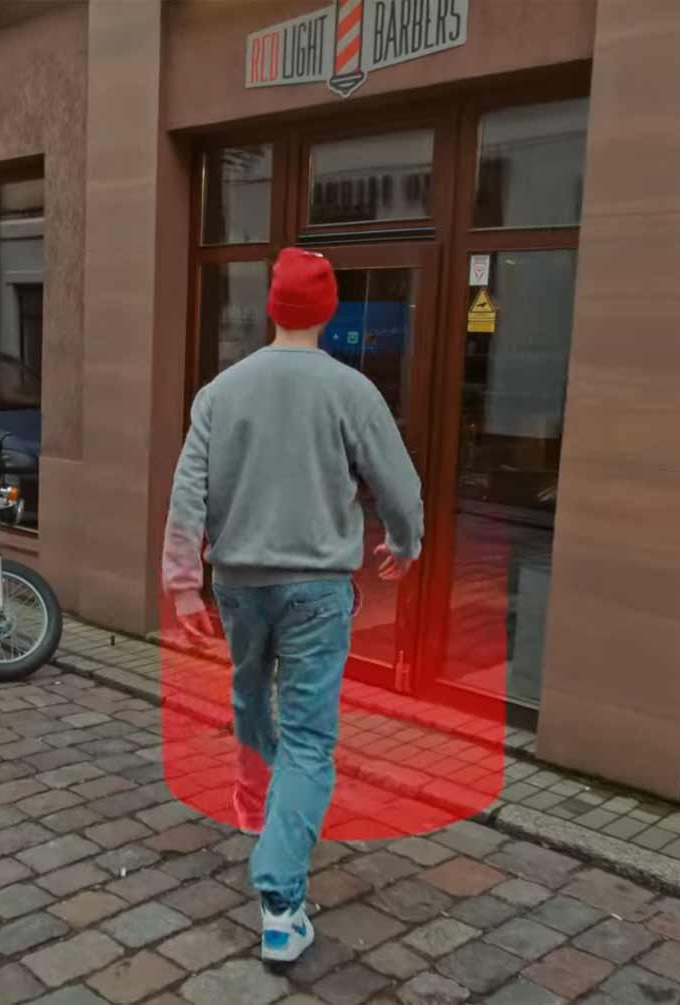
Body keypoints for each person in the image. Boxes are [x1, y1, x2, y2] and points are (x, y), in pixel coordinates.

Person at [161, 247, 423, 965]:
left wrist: (182, 582)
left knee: (250, 693)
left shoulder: (221, 392)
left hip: (239, 583)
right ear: (327, 311)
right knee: (308, 738)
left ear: (273, 307)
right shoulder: (351, 390)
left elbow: (187, 494)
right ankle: (280, 904)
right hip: (316, 588)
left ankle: (256, 804)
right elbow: (398, 482)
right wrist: (406, 540)